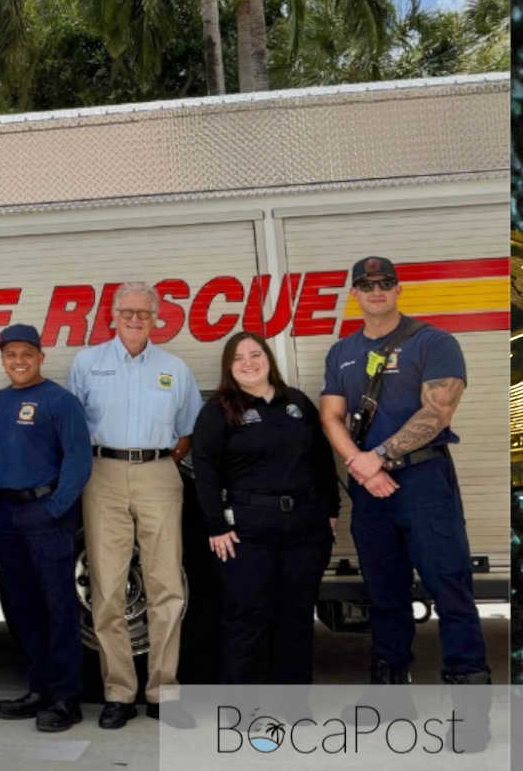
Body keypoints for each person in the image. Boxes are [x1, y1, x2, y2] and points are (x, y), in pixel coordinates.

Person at [317, 256, 489, 686]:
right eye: (366, 284)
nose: (376, 290)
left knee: (450, 587)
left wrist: (380, 456)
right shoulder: (342, 352)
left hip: (424, 481)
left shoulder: (433, 342)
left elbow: (439, 413)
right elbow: (330, 417)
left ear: (398, 289)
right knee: (384, 593)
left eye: (385, 283)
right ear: (353, 293)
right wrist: (361, 465)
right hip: (369, 489)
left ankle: (468, 698)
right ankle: (390, 694)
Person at [66, 282, 201, 730]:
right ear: (113, 315)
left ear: (157, 317)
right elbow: (72, 428)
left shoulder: (175, 368)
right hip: (102, 474)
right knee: (107, 588)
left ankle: (163, 690)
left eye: (145, 312)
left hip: (159, 472)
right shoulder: (88, 364)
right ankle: (118, 692)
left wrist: (157, 461)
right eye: (127, 311)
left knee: (167, 586)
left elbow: (187, 431)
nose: (136, 318)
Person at [191, 332, 338, 684]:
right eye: (238, 358)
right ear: (229, 367)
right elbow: (205, 468)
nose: (248, 362)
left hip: (305, 528)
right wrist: (215, 525)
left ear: (269, 359)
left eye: (255, 354)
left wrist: (331, 510)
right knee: (247, 618)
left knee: (297, 615)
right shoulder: (219, 409)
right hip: (247, 530)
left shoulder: (297, 403)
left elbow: (322, 460)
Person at [0, 324, 91, 733]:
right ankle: (39, 689)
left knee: (59, 607)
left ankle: (66, 698)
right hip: (8, 517)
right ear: (3, 359)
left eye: (27, 353)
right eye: (11, 354)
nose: (19, 361)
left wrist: (55, 508)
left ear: (41, 356)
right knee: (21, 605)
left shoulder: (60, 401)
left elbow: (78, 461)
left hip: (47, 515)